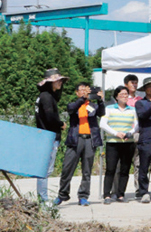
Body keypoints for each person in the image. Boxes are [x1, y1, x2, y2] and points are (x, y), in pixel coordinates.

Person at [54, 82, 105, 206]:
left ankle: (83, 196)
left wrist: (101, 100)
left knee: (87, 170)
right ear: (77, 93)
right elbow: (71, 109)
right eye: (81, 90)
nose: (84, 92)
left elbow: (101, 113)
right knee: (67, 168)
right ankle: (62, 195)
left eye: (86, 90)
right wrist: (82, 99)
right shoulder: (74, 105)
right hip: (75, 139)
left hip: (89, 139)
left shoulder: (92, 105)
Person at [35, 68, 68, 202]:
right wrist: (61, 124)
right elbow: (50, 117)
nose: (60, 83)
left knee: (45, 170)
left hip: (44, 136)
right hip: (48, 137)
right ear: (50, 82)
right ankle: (43, 200)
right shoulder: (46, 97)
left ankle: (43, 198)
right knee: (45, 170)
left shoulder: (45, 96)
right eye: (57, 81)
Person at [100, 86, 137, 204]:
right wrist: (116, 133)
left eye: (126, 94)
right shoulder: (109, 108)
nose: (125, 96)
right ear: (116, 97)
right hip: (113, 143)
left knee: (125, 169)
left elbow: (137, 124)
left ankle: (121, 194)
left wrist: (130, 133)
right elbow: (103, 124)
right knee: (111, 169)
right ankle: (107, 194)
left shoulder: (132, 109)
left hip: (128, 142)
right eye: (122, 94)